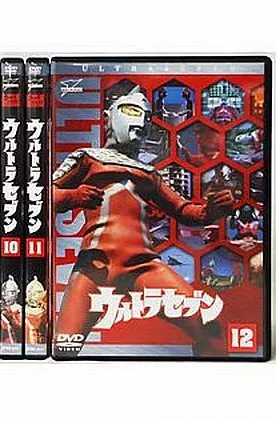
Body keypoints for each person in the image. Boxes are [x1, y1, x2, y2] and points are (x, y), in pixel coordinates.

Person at [53, 86, 234, 357]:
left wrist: (212, 211)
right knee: (64, 345)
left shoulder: (149, 173)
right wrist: (73, 196)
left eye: (147, 117)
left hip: (144, 265)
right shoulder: (88, 158)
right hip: (96, 266)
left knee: (208, 323)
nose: (140, 121)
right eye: (131, 110)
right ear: (110, 116)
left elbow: (184, 210)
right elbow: (43, 196)